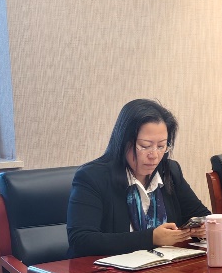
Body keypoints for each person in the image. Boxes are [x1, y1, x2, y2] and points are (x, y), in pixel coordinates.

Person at [67, 98, 209, 258]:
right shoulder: (93, 177)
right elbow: (81, 241)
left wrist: (201, 229)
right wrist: (151, 238)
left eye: (161, 146)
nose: (154, 155)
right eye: (145, 146)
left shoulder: (169, 171)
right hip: (108, 270)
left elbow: (201, 215)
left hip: (162, 268)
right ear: (123, 142)